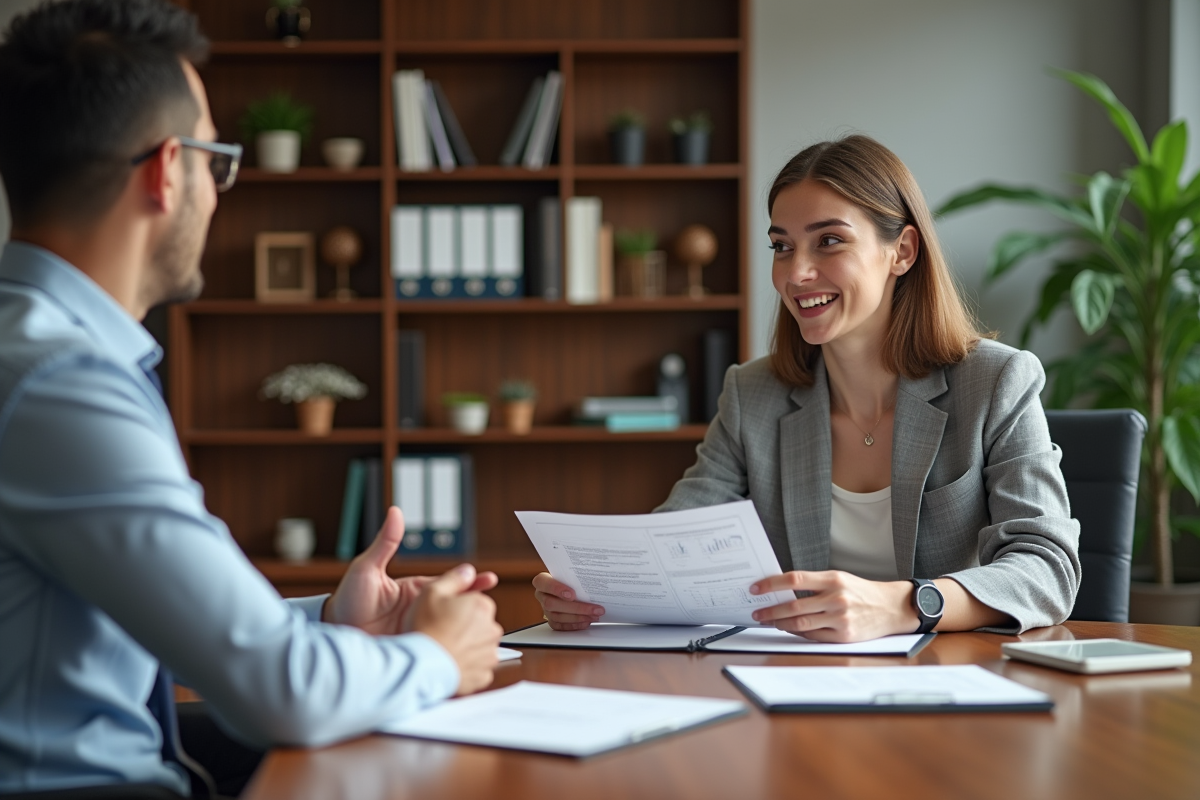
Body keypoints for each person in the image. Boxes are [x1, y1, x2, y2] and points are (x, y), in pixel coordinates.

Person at [0, 1, 501, 796]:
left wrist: (328, 622)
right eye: (214, 162)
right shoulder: (63, 384)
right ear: (168, 171)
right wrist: (438, 657)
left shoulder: (39, 350)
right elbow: (281, 695)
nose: (218, 191)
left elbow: (136, 625)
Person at [534, 135, 1081, 642]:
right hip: (798, 687)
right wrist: (594, 591)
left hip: (953, 689)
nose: (796, 274)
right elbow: (676, 543)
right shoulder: (753, 394)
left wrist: (907, 605)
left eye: (829, 242)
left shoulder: (996, 382)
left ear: (903, 252)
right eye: (781, 246)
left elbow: (1048, 568)